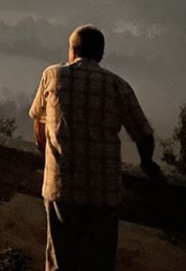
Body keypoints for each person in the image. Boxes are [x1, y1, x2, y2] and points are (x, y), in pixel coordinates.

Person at [29, 25, 162, 270]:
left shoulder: (53, 76)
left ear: (73, 50)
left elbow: (39, 121)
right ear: (101, 54)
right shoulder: (117, 86)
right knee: (99, 263)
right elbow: (143, 134)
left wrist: (48, 152)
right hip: (104, 195)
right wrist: (146, 162)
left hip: (62, 189)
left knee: (61, 261)